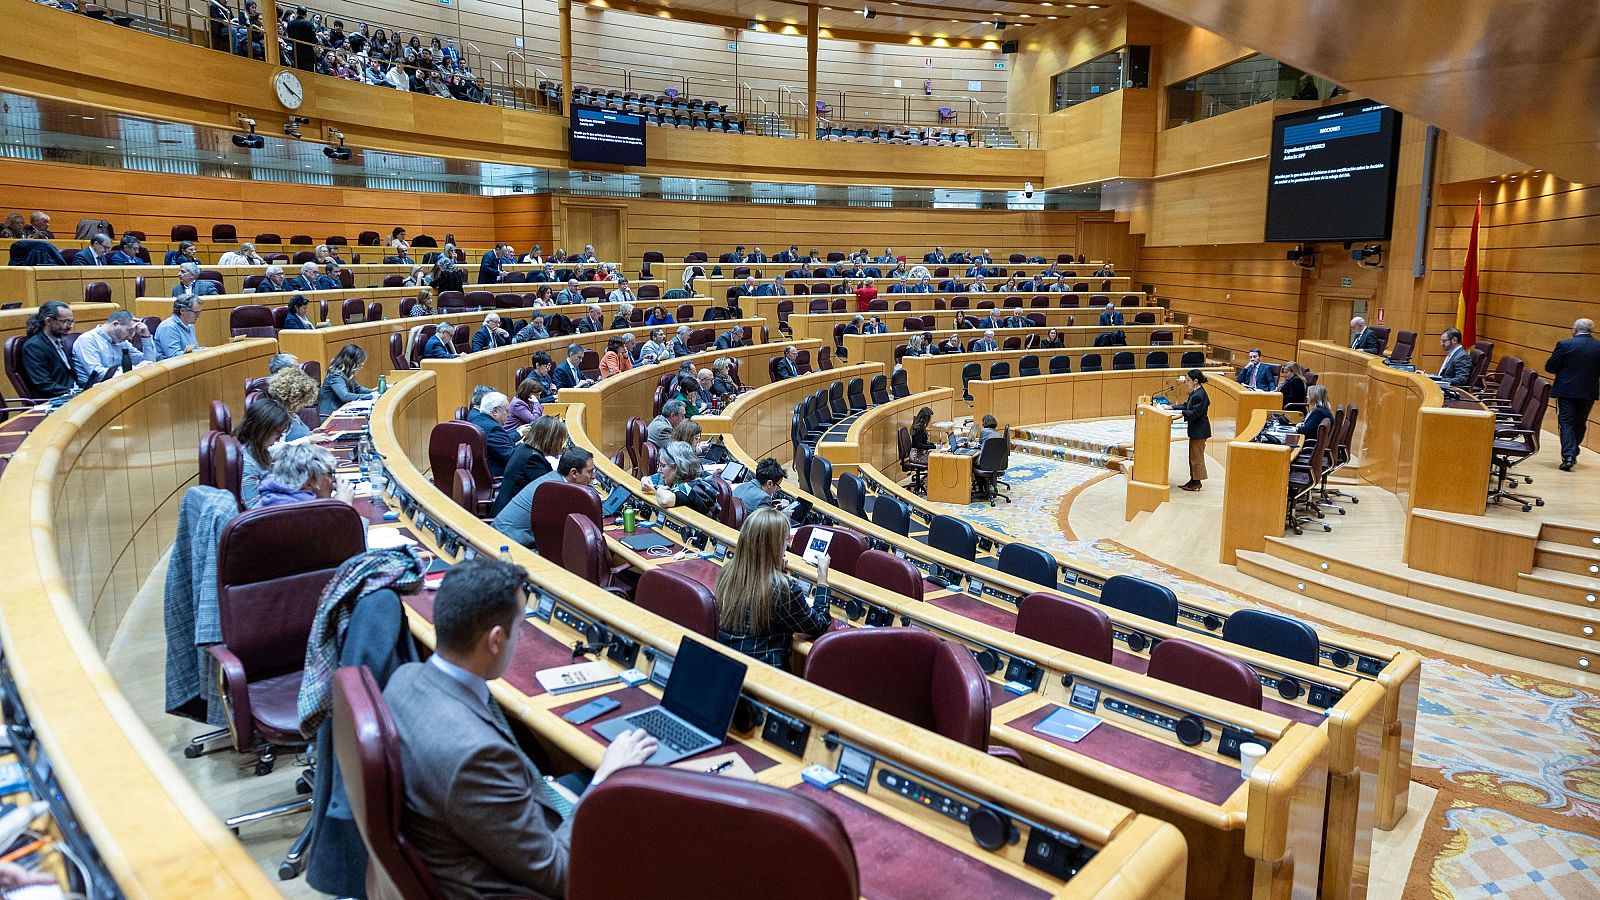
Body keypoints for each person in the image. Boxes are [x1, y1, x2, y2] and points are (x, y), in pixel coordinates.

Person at [383, 556, 656, 898]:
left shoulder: (404, 679)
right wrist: (605, 781)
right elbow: (562, 874)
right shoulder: (475, 756)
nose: (522, 636)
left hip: (477, 838)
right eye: (521, 626)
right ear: (495, 640)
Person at [715, 507, 831, 669]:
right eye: (785, 540)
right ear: (774, 545)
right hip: (765, 675)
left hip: (727, 669)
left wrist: (776, 571)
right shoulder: (782, 587)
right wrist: (823, 580)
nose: (787, 545)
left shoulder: (728, 572)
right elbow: (819, 625)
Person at [1545, 318, 1600, 471]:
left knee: (1566, 422)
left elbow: (1550, 367)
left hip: (1566, 391)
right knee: (1580, 422)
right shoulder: (1598, 347)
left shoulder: (1565, 344)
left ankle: (1569, 455)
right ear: (1591, 331)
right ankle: (1573, 450)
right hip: (1588, 392)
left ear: (1574, 330)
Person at [490, 416, 566, 516]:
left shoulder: (524, 449)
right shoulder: (533, 460)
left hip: (506, 509)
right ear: (550, 440)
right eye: (561, 440)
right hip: (510, 518)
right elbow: (549, 494)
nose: (562, 444)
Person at [254, 443, 351, 508]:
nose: (333, 482)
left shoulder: (277, 499)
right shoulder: (301, 511)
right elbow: (344, 537)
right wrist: (343, 506)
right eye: (329, 474)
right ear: (308, 482)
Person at [235, 398, 292, 507]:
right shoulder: (247, 463)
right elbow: (254, 509)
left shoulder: (258, 451)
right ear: (261, 428)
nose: (279, 440)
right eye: (277, 434)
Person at [72, 309, 149, 385]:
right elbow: (98, 374)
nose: (131, 337)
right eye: (130, 331)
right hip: (91, 391)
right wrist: (134, 369)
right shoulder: (87, 340)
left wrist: (146, 336)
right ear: (115, 324)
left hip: (115, 386)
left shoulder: (123, 342)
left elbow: (149, 362)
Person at [20, 301, 80, 398]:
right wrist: (75, 393)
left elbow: (68, 376)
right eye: (65, 322)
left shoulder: (58, 341)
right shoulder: (34, 346)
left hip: (70, 397)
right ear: (48, 321)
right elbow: (43, 384)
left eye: (71, 321)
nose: (70, 326)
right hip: (54, 402)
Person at [647, 441, 718, 515]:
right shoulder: (677, 478)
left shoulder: (698, 487)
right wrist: (644, 480)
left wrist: (658, 490)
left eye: (663, 466)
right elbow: (648, 479)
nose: (659, 470)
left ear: (677, 467)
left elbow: (665, 500)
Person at [1173, 369, 1211, 492]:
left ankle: (1196, 482)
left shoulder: (1200, 395)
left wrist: (1181, 412)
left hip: (1200, 430)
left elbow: (1194, 413)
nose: (1186, 382)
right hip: (1196, 430)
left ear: (1195, 381)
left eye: (1188, 380)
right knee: (1193, 457)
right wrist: (1172, 407)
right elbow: (1186, 405)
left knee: (1197, 457)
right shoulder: (1195, 393)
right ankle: (1193, 480)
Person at [467, 392, 519, 477]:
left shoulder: (476, 420)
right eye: (506, 411)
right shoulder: (493, 429)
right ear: (495, 411)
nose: (509, 415)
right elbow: (512, 458)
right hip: (499, 475)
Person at [317, 343, 374, 417]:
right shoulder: (336, 374)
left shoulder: (346, 372)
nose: (361, 367)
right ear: (350, 362)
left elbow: (357, 388)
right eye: (359, 364)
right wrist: (370, 396)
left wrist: (374, 392)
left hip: (341, 411)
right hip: (329, 417)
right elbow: (345, 396)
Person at [268, 367, 321, 442]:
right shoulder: (277, 415)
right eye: (303, 399)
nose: (304, 405)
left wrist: (311, 434)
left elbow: (293, 436)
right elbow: (275, 447)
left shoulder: (290, 412)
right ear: (295, 397)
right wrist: (308, 440)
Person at [285, 6, 318, 71]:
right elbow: (314, 40)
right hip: (307, 52)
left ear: (297, 13)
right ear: (306, 15)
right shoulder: (309, 24)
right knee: (308, 72)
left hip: (295, 50)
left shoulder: (290, 23)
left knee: (298, 70)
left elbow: (290, 37)